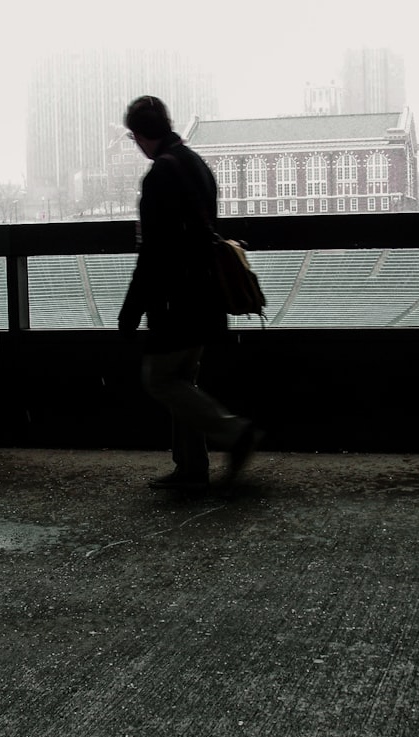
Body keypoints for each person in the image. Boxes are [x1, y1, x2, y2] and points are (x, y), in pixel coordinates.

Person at [118, 95, 262, 490]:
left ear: (139, 135)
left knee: (160, 379)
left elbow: (153, 251)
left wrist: (131, 308)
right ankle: (190, 468)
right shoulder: (195, 163)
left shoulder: (160, 175)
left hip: (175, 297)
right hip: (206, 291)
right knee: (183, 380)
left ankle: (234, 434)